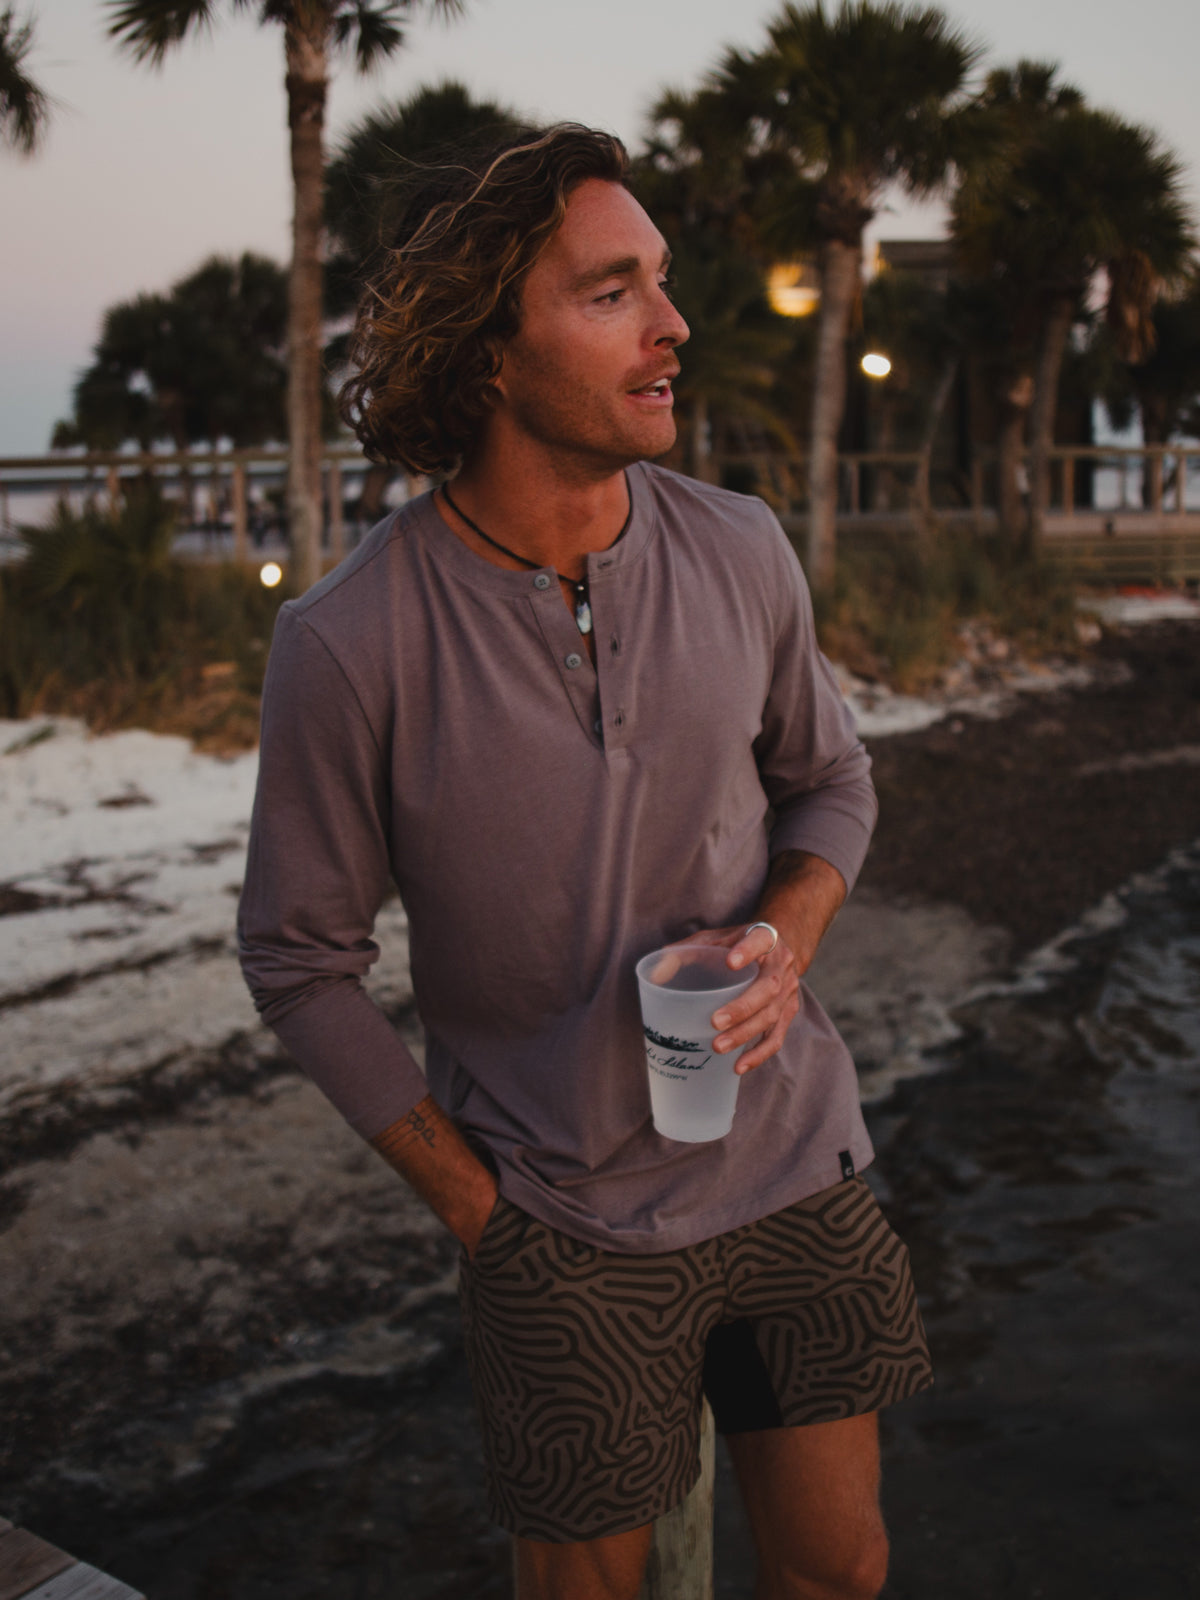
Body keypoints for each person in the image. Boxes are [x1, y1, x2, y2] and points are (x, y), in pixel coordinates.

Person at [238, 123, 931, 1600]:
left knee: (842, 1571)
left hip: (797, 1168)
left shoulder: (741, 548)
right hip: (560, 1225)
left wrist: (788, 934)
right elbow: (298, 958)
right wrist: (477, 1210)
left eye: (660, 282)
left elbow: (829, 781)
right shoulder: (350, 640)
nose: (672, 325)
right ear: (490, 350)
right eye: (613, 292)